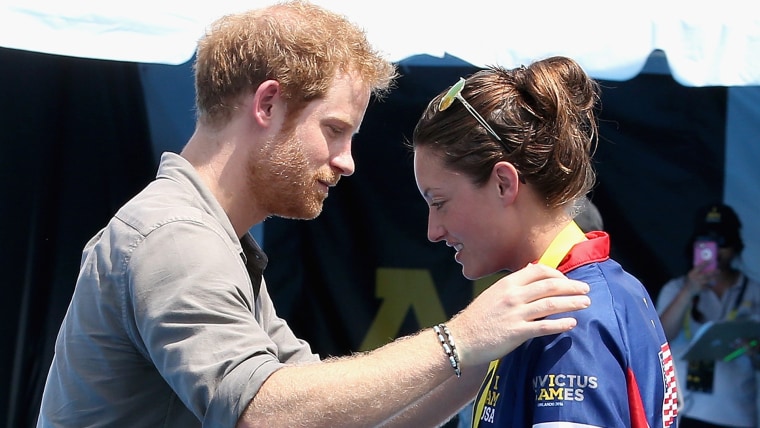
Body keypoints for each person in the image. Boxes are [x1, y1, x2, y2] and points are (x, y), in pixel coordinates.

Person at [35, 2, 593, 427]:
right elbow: (263, 410)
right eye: (334, 130)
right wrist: (461, 340)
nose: (347, 162)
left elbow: (336, 414)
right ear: (268, 104)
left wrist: (477, 359)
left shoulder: (210, 239)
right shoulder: (175, 237)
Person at [411, 56, 678, 427]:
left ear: (504, 183)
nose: (433, 230)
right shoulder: (578, 295)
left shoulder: (569, 316)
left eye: (439, 202)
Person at [656, 203, 760, 428]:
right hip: (684, 413)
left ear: (735, 246)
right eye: (707, 241)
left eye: (722, 242)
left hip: (736, 414)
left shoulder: (755, 291)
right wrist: (689, 291)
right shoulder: (676, 288)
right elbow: (657, 339)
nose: (716, 250)